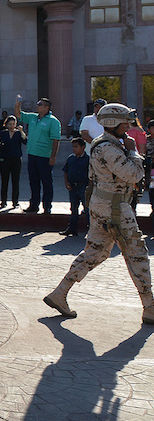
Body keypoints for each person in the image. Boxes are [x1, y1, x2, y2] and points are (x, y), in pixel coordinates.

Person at [44, 103, 154, 325]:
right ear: (113, 124)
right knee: (137, 255)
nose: (128, 126)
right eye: (125, 122)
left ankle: (59, 293)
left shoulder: (103, 143)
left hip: (104, 205)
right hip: (115, 208)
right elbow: (133, 174)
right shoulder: (108, 148)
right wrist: (134, 151)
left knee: (96, 252)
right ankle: (150, 307)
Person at [15, 96, 62, 214]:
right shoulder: (33, 117)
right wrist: (17, 104)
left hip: (45, 155)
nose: (37, 106)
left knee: (46, 182)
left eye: (40, 104)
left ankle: (47, 206)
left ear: (47, 107)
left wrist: (53, 156)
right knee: (33, 181)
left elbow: (56, 140)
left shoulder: (53, 121)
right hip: (32, 154)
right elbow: (19, 114)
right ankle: (34, 205)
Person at [60, 137, 90, 237]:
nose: (74, 149)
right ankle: (72, 228)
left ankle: (91, 230)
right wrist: (67, 182)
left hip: (84, 187)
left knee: (87, 209)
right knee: (73, 208)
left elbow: (92, 174)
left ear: (83, 147)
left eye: (76, 147)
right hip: (73, 187)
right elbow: (66, 171)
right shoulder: (71, 158)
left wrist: (90, 186)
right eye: (73, 147)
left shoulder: (88, 160)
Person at [0, 116, 26, 209]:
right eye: (10, 124)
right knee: (4, 181)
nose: (11, 126)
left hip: (16, 159)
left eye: (13, 124)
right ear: (6, 124)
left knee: (15, 181)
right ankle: (3, 201)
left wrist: (21, 131)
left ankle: (15, 201)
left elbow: (25, 141)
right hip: (5, 159)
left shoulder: (18, 134)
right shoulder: (2, 133)